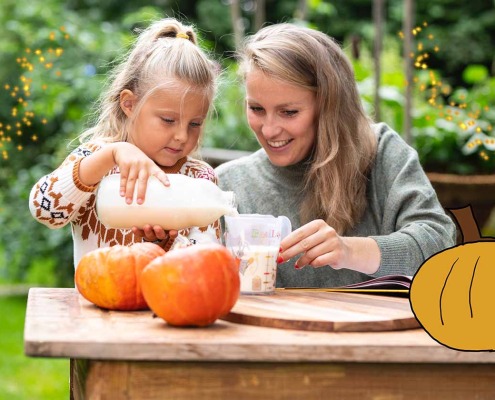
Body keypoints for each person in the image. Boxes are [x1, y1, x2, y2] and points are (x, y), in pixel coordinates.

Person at [216, 23, 456, 288]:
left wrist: (349, 251)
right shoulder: (228, 185)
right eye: (257, 108)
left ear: (329, 107)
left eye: (289, 112)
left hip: (381, 328)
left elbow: (440, 245)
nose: (269, 129)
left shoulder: (382, 151)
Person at [29, 18, 220, 269]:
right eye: (168, 120)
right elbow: (46, 211)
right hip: (95, 306)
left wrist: (165, 247)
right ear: (129, 104)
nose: (182, 136)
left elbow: (207, 266)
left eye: (195, 124)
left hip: (166, 308)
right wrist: (110, 155)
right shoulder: (97, 158)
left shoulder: (199, 179)